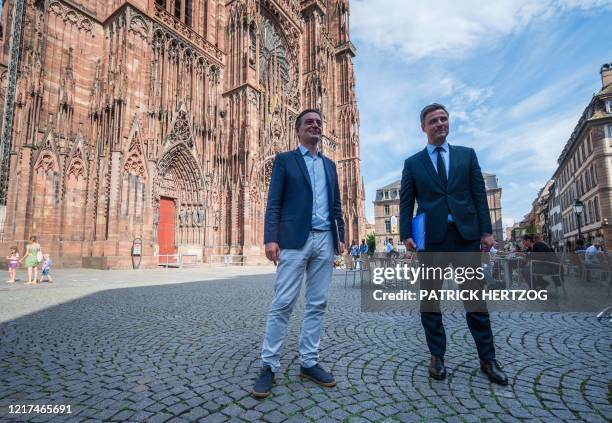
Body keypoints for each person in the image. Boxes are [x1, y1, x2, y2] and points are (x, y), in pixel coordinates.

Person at [400, 103, 507, 385]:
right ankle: (437, 355)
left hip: (465, 236)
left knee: (475, 300)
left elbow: (478, 195)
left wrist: (486, 231)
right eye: (434, 120)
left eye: (444, 119)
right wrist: (405, 233)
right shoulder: (413, 163)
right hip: (431, 240)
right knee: (430, 301)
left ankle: (488, 358)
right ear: (424, 127)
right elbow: (406, 202)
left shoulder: (467, 155)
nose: (440, 124)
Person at [252, 109, 345, 398]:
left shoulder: (330, 166)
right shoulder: (285, 160)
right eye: (309, 122)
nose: (315, 126)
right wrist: (271, 239)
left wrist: (340, 236)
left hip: (324, 239)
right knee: (283, 303)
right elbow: (274, 202)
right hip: (293, 240)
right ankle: (269, 365)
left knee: (317, 304)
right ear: (298, 130)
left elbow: (337, 206)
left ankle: (309, 361)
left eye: (318, 122)